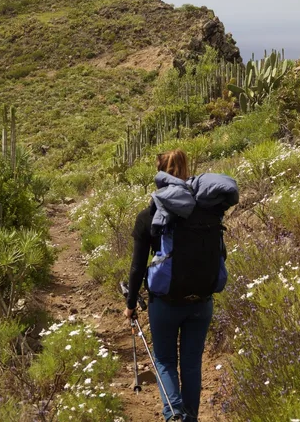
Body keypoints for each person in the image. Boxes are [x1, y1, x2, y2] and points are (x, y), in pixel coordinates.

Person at [124, 149, 238, 422]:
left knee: (164, 361)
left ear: (160, 172)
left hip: (165, 303)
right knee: (191, 362)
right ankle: (190, 417)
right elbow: (220, 254)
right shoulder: (209, 212)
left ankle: (174, 415)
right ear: (187, 170)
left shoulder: (150, 214)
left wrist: (130, 305)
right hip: (201, 301)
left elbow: (138, 266)